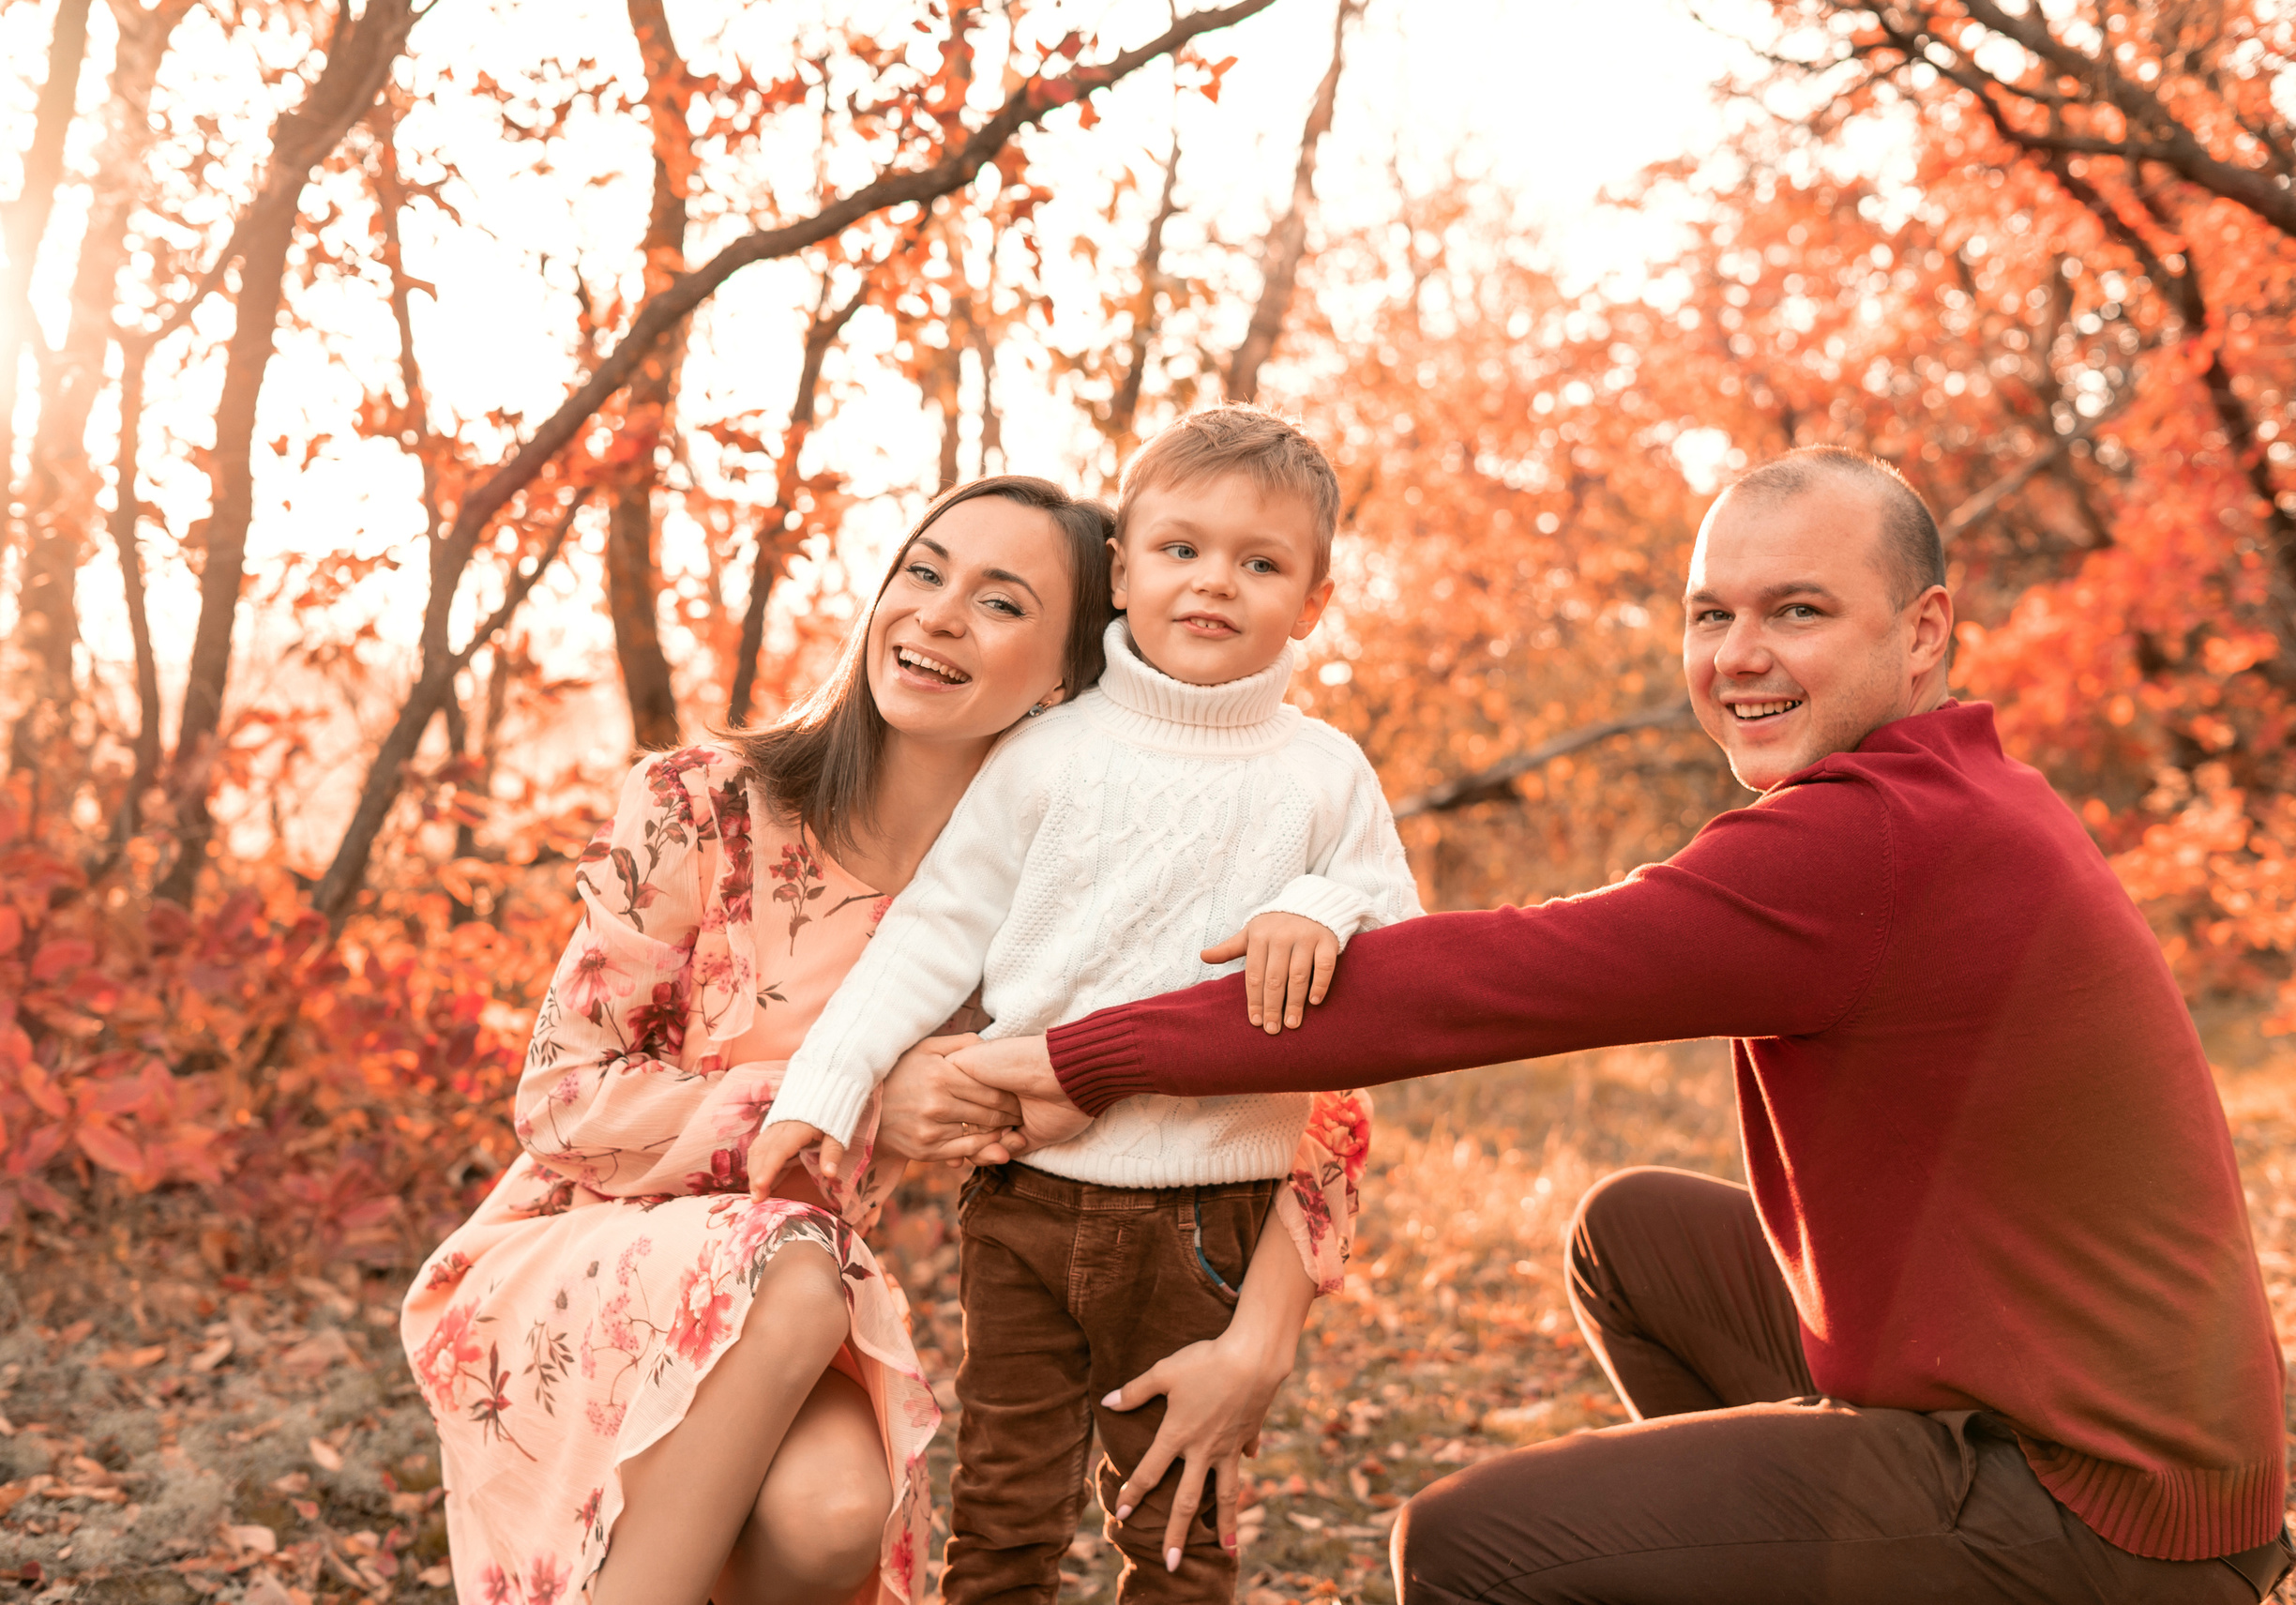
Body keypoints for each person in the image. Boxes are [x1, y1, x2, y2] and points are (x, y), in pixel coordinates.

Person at [952, 446, 2292, 1603]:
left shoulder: (1878, 839)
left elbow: (1496, 979)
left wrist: (1084, 1053)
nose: (1740, 655)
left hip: (2108, 1507)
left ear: (1926, 629)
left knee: (1475, 1544)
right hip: (2080, 1416)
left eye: (1800, 609)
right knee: (1634, 1237)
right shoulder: (1954, 789)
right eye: (1711, 613)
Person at [400, 476, 1124, 1605]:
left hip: (788, 1285)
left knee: (837, 1515)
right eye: (923, 571)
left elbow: (1288, 1077)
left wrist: (1257, 1332)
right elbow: (561, 1104)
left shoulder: (1036, 903)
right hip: (579, 1252)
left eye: (1000, 602)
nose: (936, 613)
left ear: (1069, 677)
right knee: (797, 1272)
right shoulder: (699, 802)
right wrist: (859, 1095)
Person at [748, 406, 1418, 1601]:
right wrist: (825, 1083)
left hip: (1212, 1212)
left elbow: (1400, 943)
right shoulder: (1048, 754)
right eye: (1180, 549)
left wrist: (1320, 908)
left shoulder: (1323, 773)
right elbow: (930, 936)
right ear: (1124, 567)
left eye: (1259, 564)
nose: (1214, 582)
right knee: (1003, 1506)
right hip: (1026, 1204)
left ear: (1312, 600)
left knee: (1176, 1520)